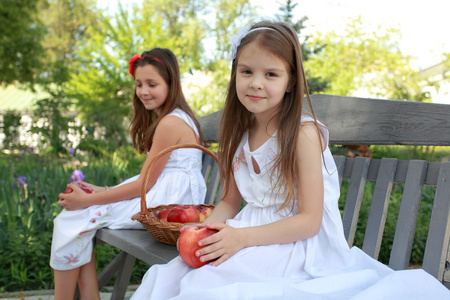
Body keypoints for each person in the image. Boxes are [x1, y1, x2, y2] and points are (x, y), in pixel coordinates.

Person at [131, 21, 450, 299]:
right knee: (170, 277)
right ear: (235, 74)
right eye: (246, 71)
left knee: (212, 288)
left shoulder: (302, 134)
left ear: (291, 81)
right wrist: (210, 230)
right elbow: (229, 201)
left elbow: (310, 221)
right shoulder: (238, 133)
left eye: (271, 73)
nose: (256, 82)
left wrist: (242, 238)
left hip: (298, 245)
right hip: (251, 233)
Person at [50, 48, 207, 300]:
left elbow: (144, 185)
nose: (143, 91)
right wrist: (101, 191)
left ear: (171, 83)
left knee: (73, 217)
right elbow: (148, 179)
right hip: (162, 194)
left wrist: (87, 200)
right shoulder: (171, 118)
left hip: (167, 204)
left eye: (152, 84)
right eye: (139, 84)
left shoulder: (170, 123)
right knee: (78, 218)